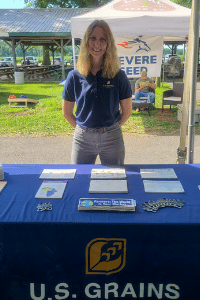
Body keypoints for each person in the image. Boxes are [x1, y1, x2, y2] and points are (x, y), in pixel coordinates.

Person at [62, 20, 132, 165]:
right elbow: (67, 113)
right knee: (80, 180)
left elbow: (127, 111)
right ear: (86, 42)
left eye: (102, 39)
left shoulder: (118, 75)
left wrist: (111, 129)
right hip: (82, 139)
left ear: (108, 44)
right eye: (93, 38)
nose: (97, 44)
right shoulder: (74, 76)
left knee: (114, 180)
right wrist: (84, 131)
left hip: (112, 138)